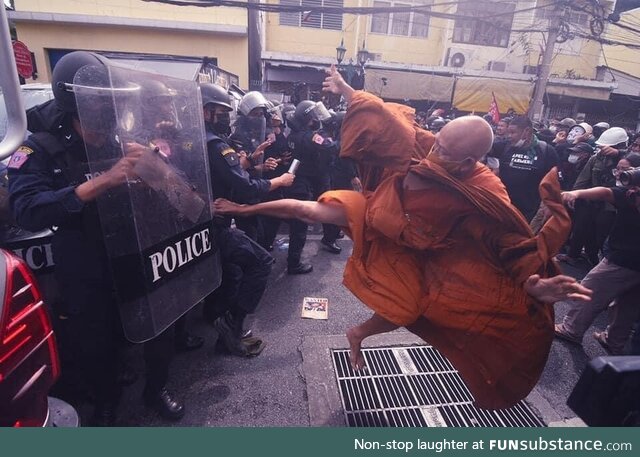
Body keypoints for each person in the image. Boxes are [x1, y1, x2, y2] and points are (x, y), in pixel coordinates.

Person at [212, 65, 592, 410]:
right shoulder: (428, 146)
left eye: (443, 150)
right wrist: (347, 89)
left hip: (426, 249)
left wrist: (534, 285)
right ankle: (248, 211)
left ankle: (357, 334)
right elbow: (387, 122)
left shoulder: (484, 188)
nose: (432, 151)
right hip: (383, 211)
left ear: (466, 163)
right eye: (437, 141)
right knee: (307, 209)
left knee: (408, 309)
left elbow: (508, 238)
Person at [7, 51, 184, 425]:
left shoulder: (123, 141)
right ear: (78, 101)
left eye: (115, 100)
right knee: (95, 337)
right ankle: (106, 401)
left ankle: (157, 389)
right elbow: (28, 209)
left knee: (158, 322)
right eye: (104, 100)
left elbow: (174, 190)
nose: (114, 108)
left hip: (133, 247)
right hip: (82, 256)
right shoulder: (35, 147)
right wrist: (101, 181)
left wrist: (156, 170)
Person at [200, 82, 289, 356]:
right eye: (218, 111)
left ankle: (223, 326)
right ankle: (230, 325)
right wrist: (279, 182)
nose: (224, 117)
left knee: (229, 275)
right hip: (217, 223)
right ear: (205, 112)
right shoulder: (216, 145)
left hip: (197, 225)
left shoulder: (187, 140)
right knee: (261, 262)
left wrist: (253, 161)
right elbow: (245, 186)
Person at [555, 165, 640, 355]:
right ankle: (614, 340)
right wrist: (576, 193)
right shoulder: (629, 196)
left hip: (624, 260)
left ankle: (571, 329)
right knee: (627, 304)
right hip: (627, 260)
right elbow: (605, 192)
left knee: (590, 288)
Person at [490, 115, 558, 222]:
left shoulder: (546, 151)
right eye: (508, 132)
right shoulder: (504, 146)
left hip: (529, 212)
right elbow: (484, 147)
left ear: (526, 131)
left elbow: (554, 183)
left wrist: (549, 206)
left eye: (513, 132)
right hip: (503, 207)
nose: (509, 136)